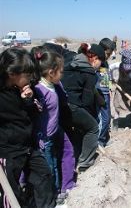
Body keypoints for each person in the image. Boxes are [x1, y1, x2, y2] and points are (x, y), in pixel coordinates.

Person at [0, 47, 56, 207]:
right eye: (27, 75)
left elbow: (36, 113)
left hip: (29, 147)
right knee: (10, 193)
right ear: (11, 74)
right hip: (8, 152)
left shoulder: (25, 90)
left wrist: (28, 101)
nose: (31, 78)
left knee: (43, 176)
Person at [31, 49, 76, 203]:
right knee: (50, 168)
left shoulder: (52, 85)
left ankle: (63, 188)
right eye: (61, 72)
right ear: (51, 72)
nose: (62, 75)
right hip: (46, 138)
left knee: (61, 156)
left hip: (56, 130)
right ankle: (55, 195)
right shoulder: (40, 91)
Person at [61, 44, 105, 171]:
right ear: (95, 59)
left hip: (60, 103)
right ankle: (84, 162)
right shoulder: (89, 72)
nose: (100, 66)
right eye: (100, 62)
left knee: (72, 132)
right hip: (73, 105)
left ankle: (72, 160)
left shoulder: (70, 62)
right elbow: (87, 101)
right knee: (92, 128)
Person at [111, 49, 131, 128]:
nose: (127, 69)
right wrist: (111, 78)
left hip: (130, 88)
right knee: (117, 103)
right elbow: (110, 68)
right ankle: (116, 121)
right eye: (126, 67)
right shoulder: (117, 65)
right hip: (120, 87)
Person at [97, 38, 116, 147]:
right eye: (107, 53)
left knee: (107, 118)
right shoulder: (96, 63)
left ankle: (103, 138)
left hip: (105, 94)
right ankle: (99, 141)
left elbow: (106, 79)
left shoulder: (105, 63)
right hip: (98, 95)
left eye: (110, 54)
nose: (108, 56)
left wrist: (109, 88)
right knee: (102, 119)